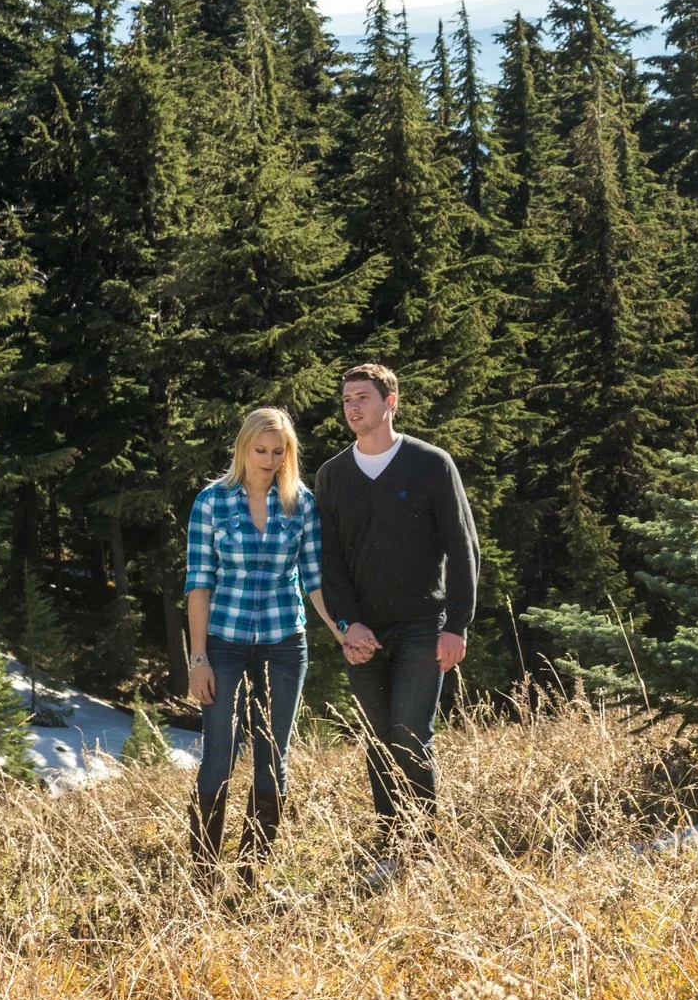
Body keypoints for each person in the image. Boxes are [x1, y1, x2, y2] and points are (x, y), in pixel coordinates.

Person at [314, 363, 480, 856]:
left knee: (410, 733)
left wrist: (457, 624)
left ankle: (424, 850)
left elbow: (463, 545)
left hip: (423, 626)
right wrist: (347, 624)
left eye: (362, 397)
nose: (352, 407)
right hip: (362, 631)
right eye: (346, 399)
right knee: (378, 738)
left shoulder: (430, 463)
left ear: (391, 402)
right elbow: (328, 560)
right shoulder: (332, 476)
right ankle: (390, 847)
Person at [183, 405, 340, 883]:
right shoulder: (212, 502)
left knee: (273, 755)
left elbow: (315, 580)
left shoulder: (301, 503)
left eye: (278, 451)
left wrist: (342, 631)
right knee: (219, 757)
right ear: (242, 448)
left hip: (284, 641)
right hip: (224, 643)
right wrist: (199, 658)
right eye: (260, 450)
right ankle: (203, 876)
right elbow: (198, 583)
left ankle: (252, 874)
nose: (269, 460)